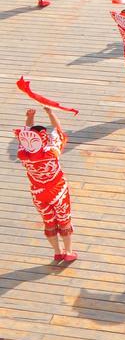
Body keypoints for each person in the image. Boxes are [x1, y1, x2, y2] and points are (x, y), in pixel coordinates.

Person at [15, 104, 77, 264]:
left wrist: (29, 119)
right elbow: (59, 130)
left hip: (38, 194)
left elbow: (25, 140)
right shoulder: (51, 152)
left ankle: (57, 252)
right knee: (64, 220)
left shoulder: (23, 155)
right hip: (58, 191)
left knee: (49, 222)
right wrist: (51, 114)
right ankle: (69, 252)